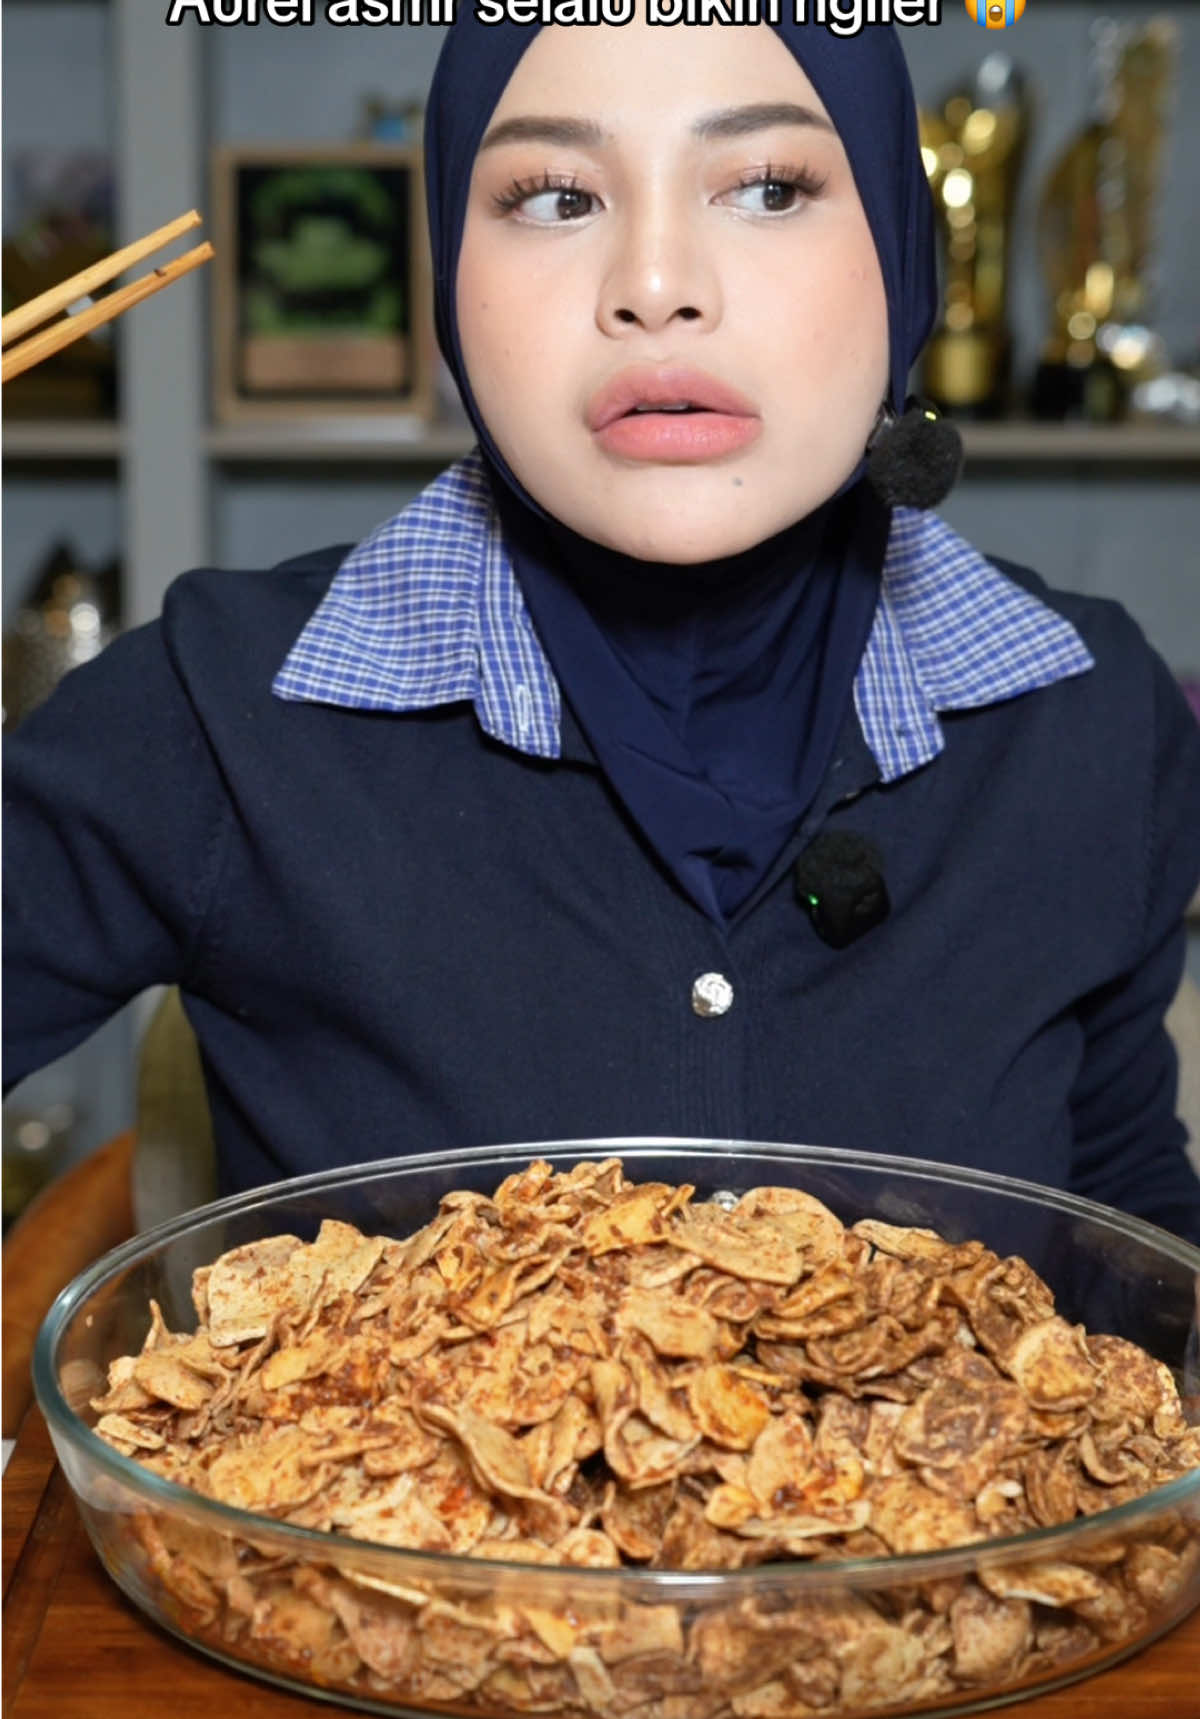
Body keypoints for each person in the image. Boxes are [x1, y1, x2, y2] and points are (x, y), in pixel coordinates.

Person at [5, 14, 1200, 1242]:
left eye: (770, 187)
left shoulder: (1094, 722)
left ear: (904, 249)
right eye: (557, 198)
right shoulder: (221, 717)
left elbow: (1126, 1234)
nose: (655, 287)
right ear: (450, 282)